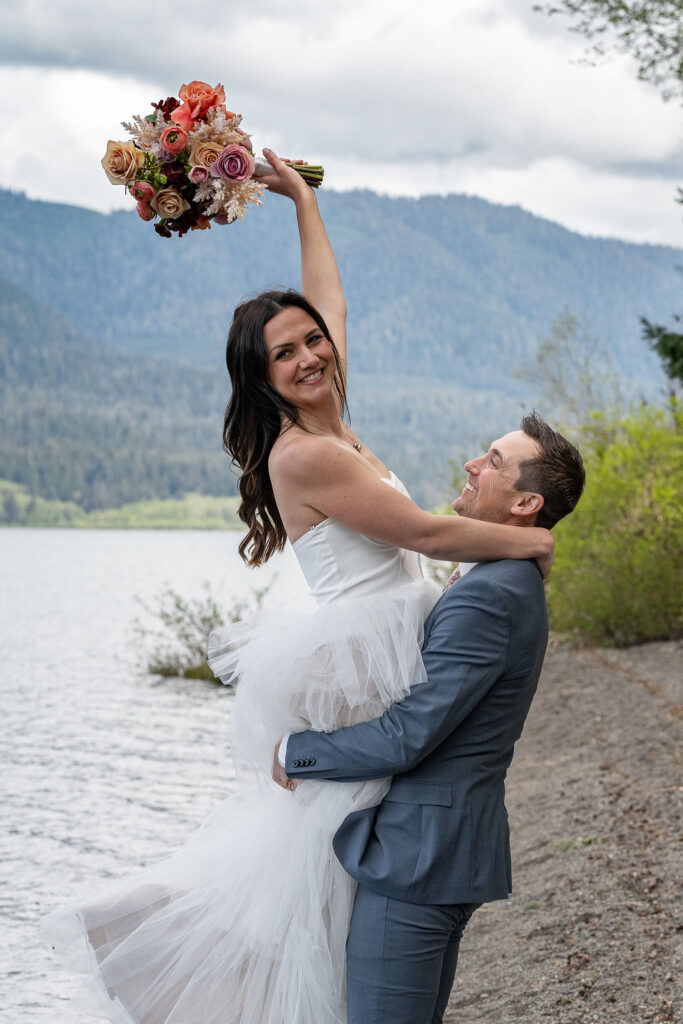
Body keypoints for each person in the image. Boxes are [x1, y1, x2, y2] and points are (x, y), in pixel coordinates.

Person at [44, 151, 556, 1024]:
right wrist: (531, 538)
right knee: (317, 846)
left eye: (312, 340)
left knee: (327, 848)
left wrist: (302, 203)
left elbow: (333, 300)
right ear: (262, 376)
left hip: (392, 624)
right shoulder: (306, 451)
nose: (311, 355)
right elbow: (429, 534)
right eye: (286, 353)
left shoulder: (333, 418)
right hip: (364, 642)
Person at [273, 413, 585, 1024]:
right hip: (441, 849)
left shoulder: (490, 595)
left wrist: (297, 751)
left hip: (420, 857)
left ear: (527, 503)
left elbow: (408, 735)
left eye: (493, 461)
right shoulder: (498, 578)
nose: (473, 464)